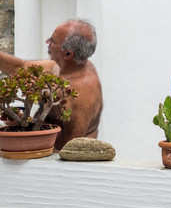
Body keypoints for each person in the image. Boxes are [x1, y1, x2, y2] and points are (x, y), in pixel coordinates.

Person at [0, 20, 103, 150]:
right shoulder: (69, 66)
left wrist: (25, 131)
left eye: (52, 41)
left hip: (55, 159)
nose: (47, 42)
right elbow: (20, 67)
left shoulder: (81, 92)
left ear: (67, 54)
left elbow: (70, 147)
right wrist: (23, 123)